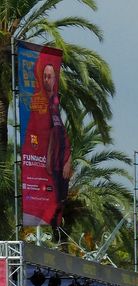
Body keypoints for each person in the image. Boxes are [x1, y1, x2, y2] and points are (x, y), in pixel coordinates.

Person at [42, 62, 71, 237]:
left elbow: (64, 136)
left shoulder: (55, 106)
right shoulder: (42, 104)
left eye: (50, 76)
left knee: (61, 200)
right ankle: (55, 230)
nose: (47, 80)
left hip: (62, 163)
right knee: (55, 199)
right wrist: (48, 158)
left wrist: (69, 159)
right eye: (45, 76)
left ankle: (59, 230)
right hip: (53, 165)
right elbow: (50, 136)